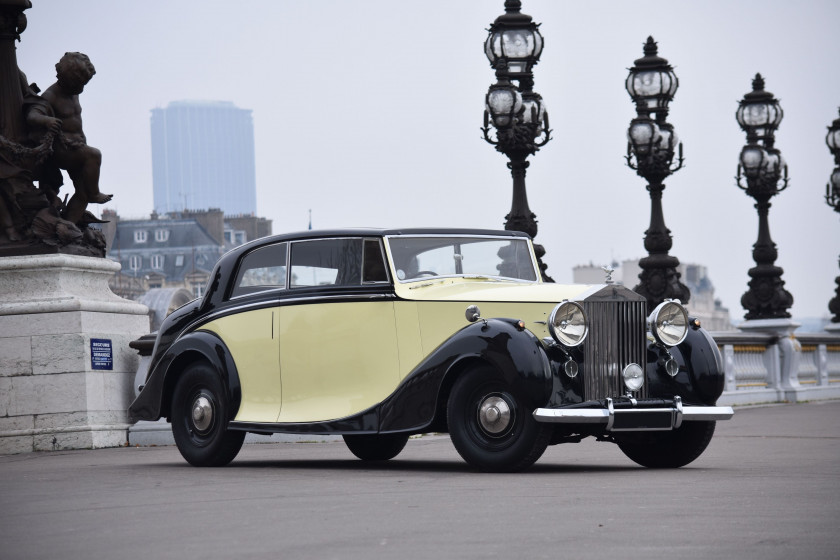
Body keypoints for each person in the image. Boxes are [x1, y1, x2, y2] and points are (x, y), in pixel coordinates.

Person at [26, 52, 111, 225]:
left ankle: (68, 226)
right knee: (95, 155)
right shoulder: (51, 95)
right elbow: (32, 115)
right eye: (79, 84)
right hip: (62, 150)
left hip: (77, 148)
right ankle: (95, 193)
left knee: (82, 192)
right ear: (67, 80)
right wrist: (47, 120)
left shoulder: (74, 93)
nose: (81, 88)